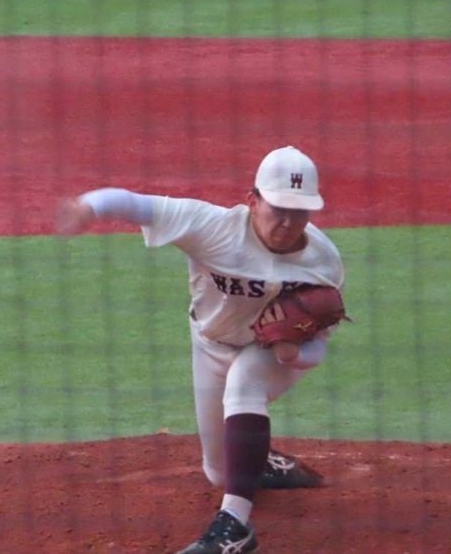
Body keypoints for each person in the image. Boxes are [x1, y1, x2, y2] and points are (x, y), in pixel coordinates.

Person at [56, 146, 346, 554]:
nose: (287, 222)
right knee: (218, 473)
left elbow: (319, 346)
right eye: (278, 208)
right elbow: (140, 206)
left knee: (245, 380)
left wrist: (289, 353)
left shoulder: (324, 261)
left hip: (270, 355)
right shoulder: (212, 227)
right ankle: (260, 460)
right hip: (210, 346)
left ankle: (234, 529)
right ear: (253, 200)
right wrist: (89, 206)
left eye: (299, 212)